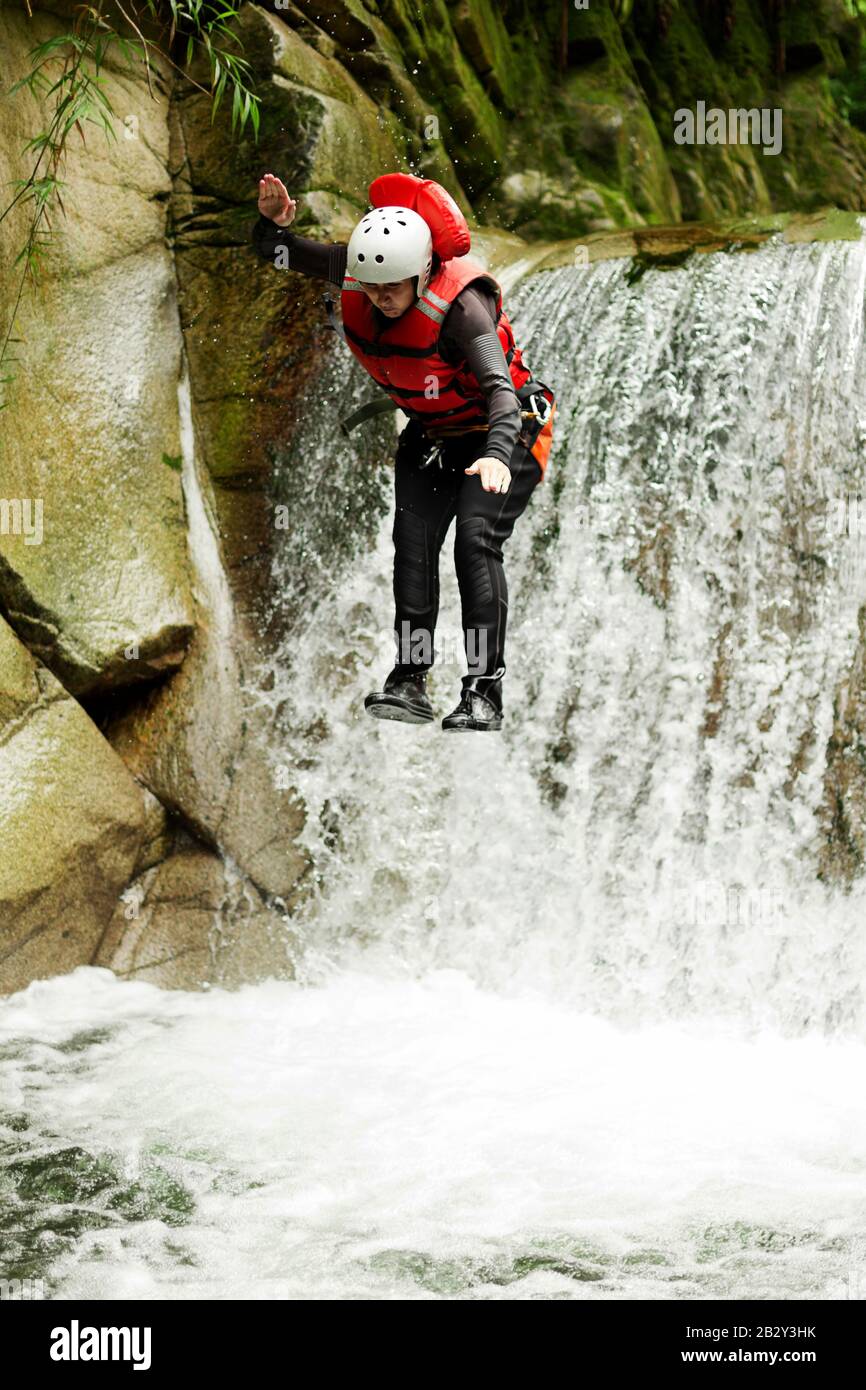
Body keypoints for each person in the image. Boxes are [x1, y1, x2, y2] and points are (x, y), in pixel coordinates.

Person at [252, 170, 556, 732]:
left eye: (392, 286)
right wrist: (272, 226)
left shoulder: (462, 310)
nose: (380, 297)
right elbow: (277, 254)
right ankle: (410, 677)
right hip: (435, 432)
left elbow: (501, 394)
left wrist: (492, 454)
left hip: (508, 429)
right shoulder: (363, 271)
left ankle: (483, 690)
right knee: (411, 546)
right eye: (371, 287)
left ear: (422, 271)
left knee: (474, 542)